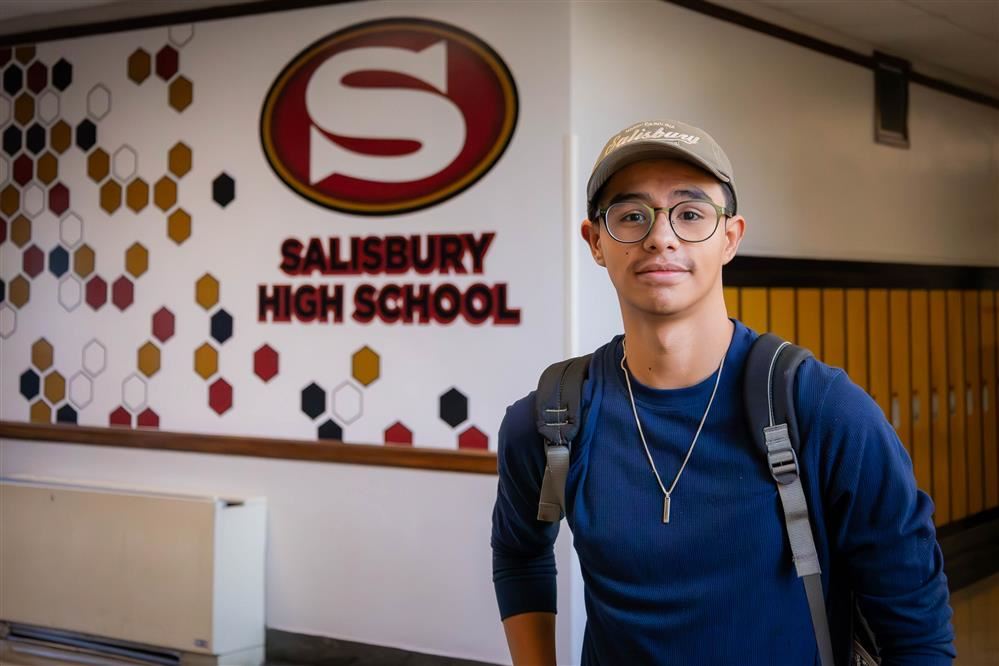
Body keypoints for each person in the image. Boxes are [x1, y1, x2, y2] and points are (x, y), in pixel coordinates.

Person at [490, 120, 955, 664]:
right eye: (631, 216)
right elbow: (520, 554)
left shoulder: (823, 410)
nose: (660, 237)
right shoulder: (551, 420)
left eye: (689, 214)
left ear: (730, 238)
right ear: (595, 242)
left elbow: (916, 631)